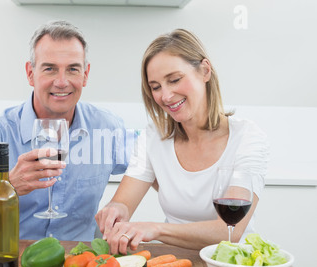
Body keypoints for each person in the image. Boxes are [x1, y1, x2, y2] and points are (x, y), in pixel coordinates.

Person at [0, 21, 132, 241]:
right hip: (9, 264)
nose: (62, 82)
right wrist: (7, 186)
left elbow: (152, 166)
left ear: (85, 75)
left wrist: (121, 203)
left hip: (79, 266)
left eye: (73, 69)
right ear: (30, 73)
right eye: (50, 69)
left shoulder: (107, 128)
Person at [95, 29, 270, 254]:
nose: (165, 96)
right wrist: (115, 209)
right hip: (175, 263)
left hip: (234, 266)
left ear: (205, 71)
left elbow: (230, 230)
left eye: (175, 80)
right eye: (156, 87)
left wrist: (157, 230)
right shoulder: (153, 137)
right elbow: (124, 202)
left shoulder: (246, 137)